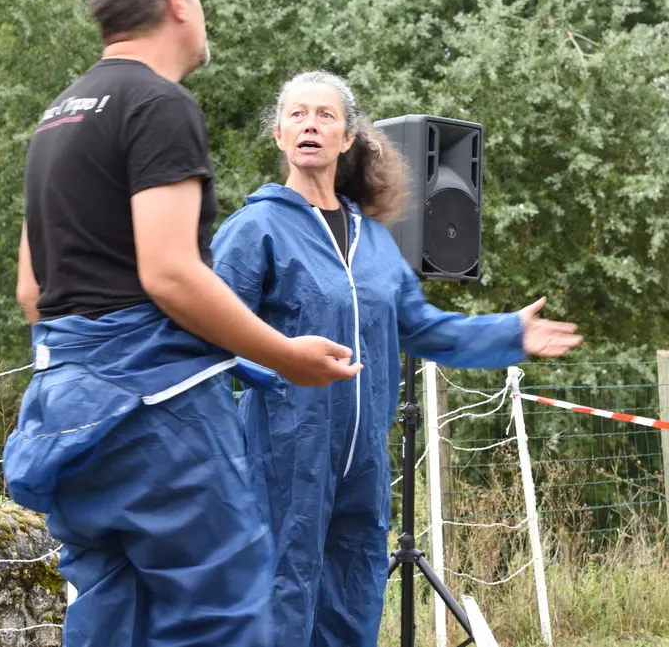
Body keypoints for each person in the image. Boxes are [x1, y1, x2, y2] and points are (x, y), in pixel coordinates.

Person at [4, 0, 360, 647]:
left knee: (113, 616)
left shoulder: (57, 117)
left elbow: (32, 290)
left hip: (62, 416)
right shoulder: (158, 104)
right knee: (222, 612)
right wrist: (284, 355)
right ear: (177, 4)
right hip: (155, 420)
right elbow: (170, 273)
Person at [210, 70, 583, 646]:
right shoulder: (254, 228)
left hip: (365, 460)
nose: (310, 123)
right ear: (279, 136)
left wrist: (511, 333)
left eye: (326, 115)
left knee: (356, 597)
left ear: (348, 138)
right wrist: (279, 371)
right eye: (297, 114)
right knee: (279, 601)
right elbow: (213, 335)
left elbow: (423, 328)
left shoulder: (376, 242)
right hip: (283, 455)